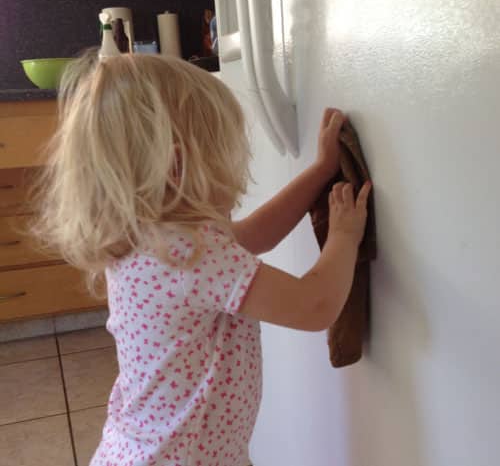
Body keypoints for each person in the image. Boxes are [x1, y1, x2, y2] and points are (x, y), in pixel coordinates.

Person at [31, 51, 371, 466]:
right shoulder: (189, 255)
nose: (238, 175)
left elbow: (253, 236)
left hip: (149, 450)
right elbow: (314, 305)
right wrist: (345, 236)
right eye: (228, 157)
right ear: (177, 167)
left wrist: (319, 172)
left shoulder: (153, 237)